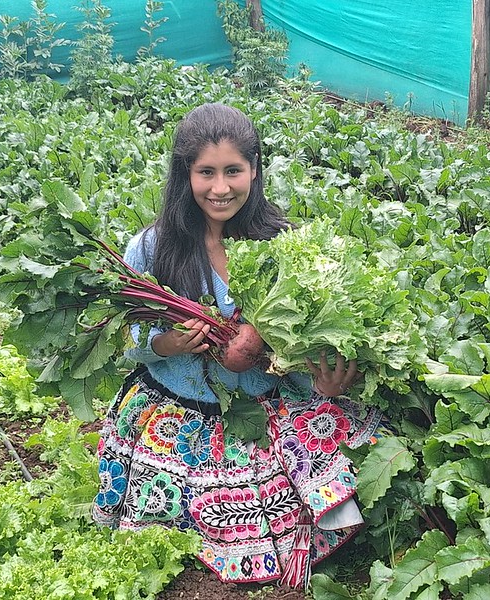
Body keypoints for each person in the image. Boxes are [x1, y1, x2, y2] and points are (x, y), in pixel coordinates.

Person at [92, 103, 390, 588]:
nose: (220, 187)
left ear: (254, 169)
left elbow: (309, 336)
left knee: (331, 455)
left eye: (234, 170)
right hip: (180, 404)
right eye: (205, 172)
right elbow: (129, 343)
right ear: (184, 175)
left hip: (266, 396)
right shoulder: (151, 248)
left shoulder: (283, 243)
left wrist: (324, 380)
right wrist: (168, 344)